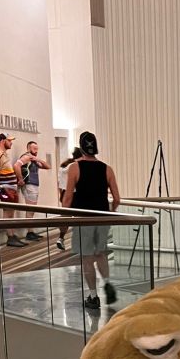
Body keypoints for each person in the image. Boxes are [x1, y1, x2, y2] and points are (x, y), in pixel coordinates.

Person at [62, 131, 120, 310]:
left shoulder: (74, 168)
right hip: (103, 218)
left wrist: (64, 222)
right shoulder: (107, 168)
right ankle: (108, 285)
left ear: (81, 147)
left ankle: (93, 296)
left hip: (83, 218)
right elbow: (117, 198)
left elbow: (68, 199)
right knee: (101, 253)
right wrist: (110, 213)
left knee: (87, 258)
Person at [0, 133, 23, 247]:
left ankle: (12, 234)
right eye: (9, 140)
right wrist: (2, 185)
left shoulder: (4, 154)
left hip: (10, 188)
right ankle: (10, 237)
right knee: (7, 211)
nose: (11, 142)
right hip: (4, 188)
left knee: (11, 212)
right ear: (3, 141)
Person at [14, 140, 51, 242]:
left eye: (37, 148)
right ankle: (29, 233)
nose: (36, 150)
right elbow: (16, 165)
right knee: (30, 210)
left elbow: (48, 166)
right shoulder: (26, 157)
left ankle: (31, 231)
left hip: (34, 185)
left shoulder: (33, 159)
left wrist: (38, 159)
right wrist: (20, 179)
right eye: (34, 148)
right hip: (29, 184)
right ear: (29, 148)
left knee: (32, 210)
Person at [56, 147, 82, 250]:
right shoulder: (75, 166)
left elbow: (59, 183)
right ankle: (78, 242)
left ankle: (61, 238)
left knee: (65, 218)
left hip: (64, 193)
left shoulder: (63, 166)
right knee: (79, 218)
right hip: (74, 194)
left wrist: (60, 196)